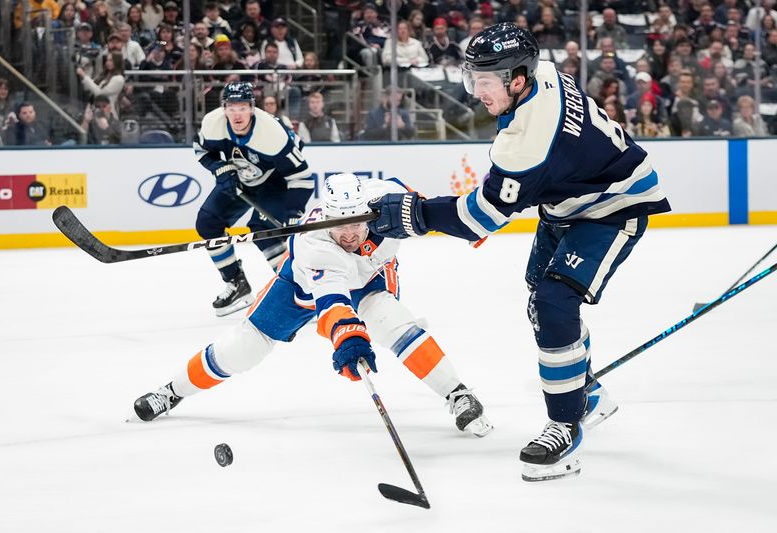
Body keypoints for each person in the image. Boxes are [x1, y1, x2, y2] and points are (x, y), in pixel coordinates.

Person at [367, 23, 671, 482]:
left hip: (614, 205)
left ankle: (566, 424)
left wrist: (416, 214)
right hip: (570, 199)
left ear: (516, 79)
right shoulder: (541, 73)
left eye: (485, 83)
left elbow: (480, 219)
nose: (476, 93)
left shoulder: (529, 137)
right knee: (540, 297)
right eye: (473, 80)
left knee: (554, 302)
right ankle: (586, 394)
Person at [130, 173, 493, 440]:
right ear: (327, 219)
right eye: (341, 227)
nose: (349, 235)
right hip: (302, 285)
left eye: (357, 224)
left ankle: (458, 393)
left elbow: (431, 212)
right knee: (244, 347)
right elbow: (332, 302)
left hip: (368, 279)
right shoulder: (314, 244)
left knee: (394, 323)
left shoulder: (390, 200)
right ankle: (172, 391)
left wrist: (469, 226)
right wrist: (350, 339)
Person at [193, 81, 313, 316]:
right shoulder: (212, 124)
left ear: (252, 108)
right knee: (207, 222)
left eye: (242, 108)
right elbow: (201, 150)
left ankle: (302, 291)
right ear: (224, 108)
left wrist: (293, 212)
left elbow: (303, 177)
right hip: (240, 180)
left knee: (262, 231)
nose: (237, 114)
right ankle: (237, 283)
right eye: (231, 108)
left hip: (276, 182)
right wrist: (219, 167)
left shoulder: (271, 135)